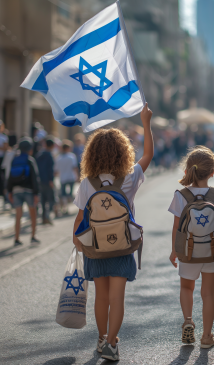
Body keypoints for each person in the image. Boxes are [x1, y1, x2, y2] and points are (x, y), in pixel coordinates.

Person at [73, 104, 153, 362]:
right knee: (117, 298)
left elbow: (79, 218)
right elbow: (149, 155)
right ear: (123, 152)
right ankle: (111, 344)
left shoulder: (87, 183)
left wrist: (77, 242)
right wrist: (146, 122)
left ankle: (101, 337)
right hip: (122, 245)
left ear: (92, 155)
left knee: (102, 297)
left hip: (95, 247)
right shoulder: (129, 178)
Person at [168, 146, 214, 349]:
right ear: (213, 172)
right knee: (208, 293)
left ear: (188, 170)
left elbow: (177, 226)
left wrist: (174, 250)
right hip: (212, 251)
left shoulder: (181, 195)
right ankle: (207, 336)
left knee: (186, 287)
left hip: (188, 251)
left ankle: (188, 320)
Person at [7, 138, 40, 245]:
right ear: (30, 149)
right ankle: (33, 236)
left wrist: (9, 191)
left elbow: (10, 177)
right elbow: (35, 178)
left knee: (18, 215)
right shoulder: (30, 160)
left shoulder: (14, 159)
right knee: (33, 214)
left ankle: (16, 238)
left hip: (16, 191)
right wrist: (36, 193)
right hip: (29, 191)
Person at [36, 137, 56, 225]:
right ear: (52, 145)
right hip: (48, 181)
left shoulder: (39, 154)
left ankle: (43, 218)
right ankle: (47, 217)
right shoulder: (49, 155)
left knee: (43, 200)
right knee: (51, 200)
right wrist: (51, 180)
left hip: (39, 180)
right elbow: (50, 169)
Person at [55, 140, 78, 213]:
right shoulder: (71, 156)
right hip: (71, 176)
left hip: (63, 177)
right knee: (70, 193)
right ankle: (67, 207)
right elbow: (74, 167)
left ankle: (64, 208)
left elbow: (56, 170)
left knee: (63, 194)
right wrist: (77, 176)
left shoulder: (58, 158)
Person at [0, 120, 9, 200]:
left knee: (2, 177)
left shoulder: (4, 137)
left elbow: (5, 148)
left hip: (2, 159)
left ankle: (3, 194)